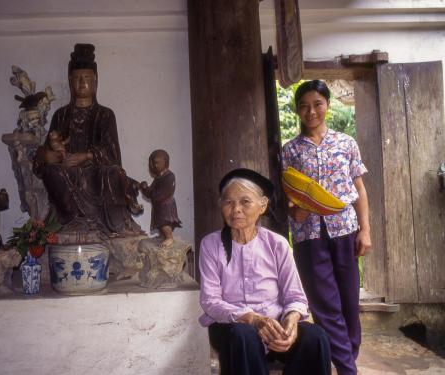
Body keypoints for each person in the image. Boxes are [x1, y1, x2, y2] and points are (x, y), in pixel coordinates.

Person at [199, 168, 331, 375]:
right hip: (231, 328)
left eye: (245, 202)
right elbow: (210, 302)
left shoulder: (277, 244)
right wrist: (252, 319)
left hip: (275, 328)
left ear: (262, 206)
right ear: (220, 205)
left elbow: (295, 296)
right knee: (244, 336)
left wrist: (291, 322)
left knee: (316, 337)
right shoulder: (211, 245)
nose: (235, 210)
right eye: (228, 202)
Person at [281, 80, 372, 375]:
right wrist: (298, 210)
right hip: (310, 237)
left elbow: (359, 190)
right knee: (325, 307)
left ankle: (347, 358)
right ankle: (348, 369)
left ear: (327, 106)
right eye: (304, 106)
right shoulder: (290, 150)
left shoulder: (346, 144)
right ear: (297, 110)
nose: (311, 112)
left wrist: (365, 230)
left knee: (349, 305)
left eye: (317, 104)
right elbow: (289, 202)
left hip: (345, 231)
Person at [33, 43, 143, 238]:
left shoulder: (105, 115)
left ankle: (108, 223)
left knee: (114, 173)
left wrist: (85, 156)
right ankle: (72, 219)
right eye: (77, 78)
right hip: (67, 172)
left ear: (95, 80)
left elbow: (112, 153)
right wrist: (50, 156)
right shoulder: (61, 115)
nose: (82, 82)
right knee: (51, 173)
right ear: (69, 81)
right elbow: (41, 156)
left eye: (86, 78)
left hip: (96, 173)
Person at [139, 149, 182, 247]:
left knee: (164, 222)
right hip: (158, 206)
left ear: (165, 162)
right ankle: (163, 236)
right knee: (159, 223)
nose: (153, 166)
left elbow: (160, 194)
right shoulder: (157, 178)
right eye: (151, 164)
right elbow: (150, 193)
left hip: (165, 205)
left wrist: (151, 192)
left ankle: (169, 237)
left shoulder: (170, 177)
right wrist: (144, 188)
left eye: (156, 163)